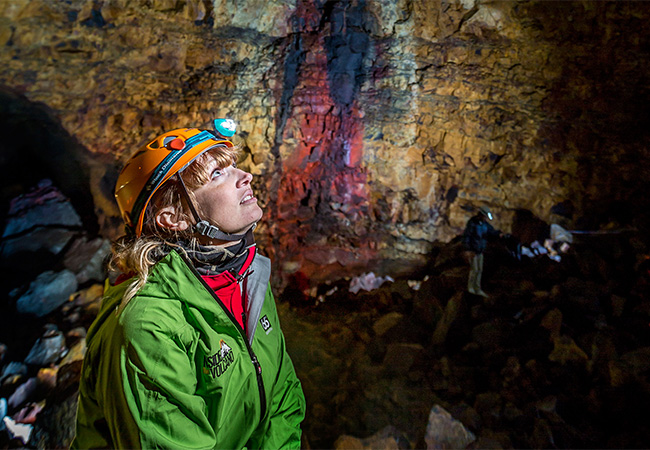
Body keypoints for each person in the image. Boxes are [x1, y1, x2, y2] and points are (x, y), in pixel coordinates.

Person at [72, 119, 306, 449]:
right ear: (174, 218)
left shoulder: (246, 277)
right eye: (218, 174)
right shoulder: (148, 325)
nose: (245, 177)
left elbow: (282, 396)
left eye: (233, 166)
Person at [462, 205, 502, 297]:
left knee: (479, 270)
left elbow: (491, 231)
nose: (486, 218)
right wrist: (467, 249)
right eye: (485, 216)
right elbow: (467, 236)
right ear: (481, 215)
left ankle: (477, 288)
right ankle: (471, 288)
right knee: (474, 270)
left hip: (480, 250)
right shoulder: (472, 223)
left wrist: (499, 234)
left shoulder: (484, 224)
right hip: (473, 250)